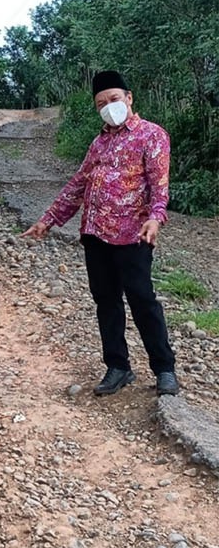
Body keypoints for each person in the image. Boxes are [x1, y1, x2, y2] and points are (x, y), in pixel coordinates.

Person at [21, 70, 179, 396]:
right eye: (101, 103)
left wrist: (155, 218)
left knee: (142, 299)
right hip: (95, 234)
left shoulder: (152, 136)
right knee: (106, 301)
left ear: (129, 97)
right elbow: (78, 184)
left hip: (133, 234)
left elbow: (159, 185)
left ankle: (164, 369)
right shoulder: (99, 142)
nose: (109, 107)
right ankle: (118, 367)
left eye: (114, 99)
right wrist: (48, 220)